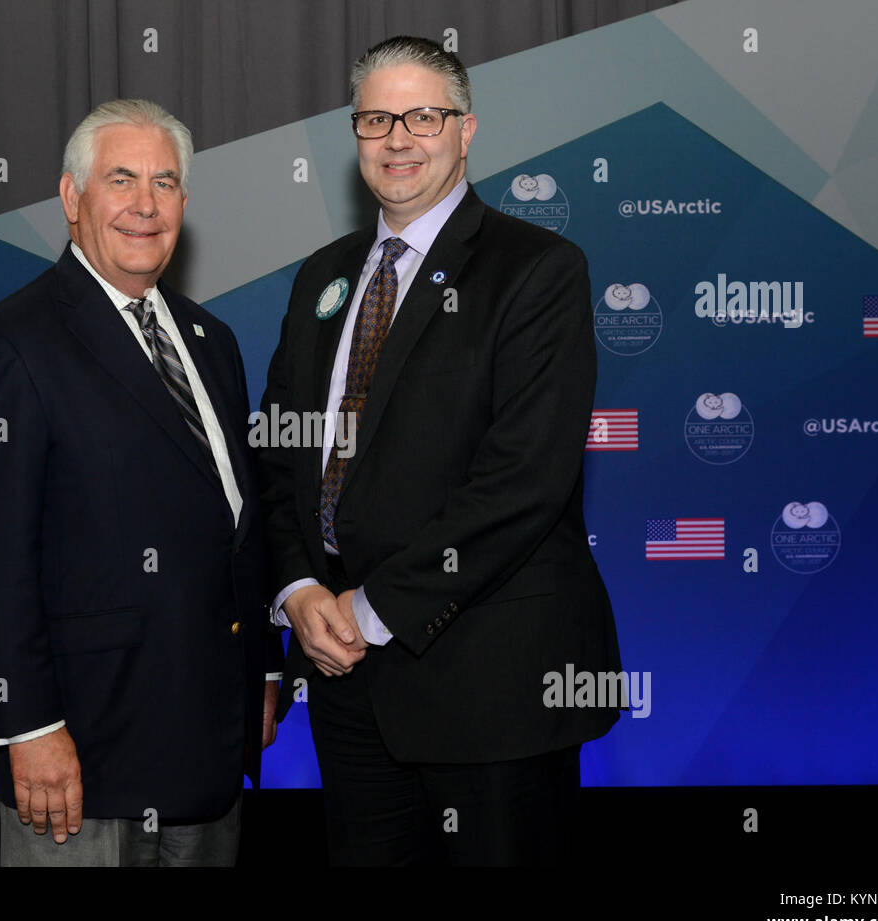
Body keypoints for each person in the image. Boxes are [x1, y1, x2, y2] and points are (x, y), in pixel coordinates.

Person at [259, 37, 623, 865]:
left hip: (488, 684)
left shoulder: (537, 270)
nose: (399, 138)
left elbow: (523, 482)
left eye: (424, 116)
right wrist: (300, 587)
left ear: (467, 130)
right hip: (346, 684)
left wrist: (372, 606)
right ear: (354, 137)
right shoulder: (324, 277)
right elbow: (280, 454)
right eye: (377, 119)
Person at [0, 99, 282, 866]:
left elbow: (238, 521)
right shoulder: (10, 344)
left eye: (165, 183)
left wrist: (262, 664)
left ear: (185, 206)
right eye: (121, 179)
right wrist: (26, 726)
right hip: (80, 766)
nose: (144, 204)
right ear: (71, 197)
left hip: (210, 758)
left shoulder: (211, 341)